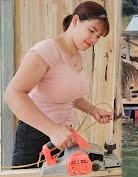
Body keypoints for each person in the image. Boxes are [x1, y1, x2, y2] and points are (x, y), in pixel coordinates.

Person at [3, 1, 112, 168]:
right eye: (92, 31)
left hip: (63, 139)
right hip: (35, 137)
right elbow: (13, 94)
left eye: (98, 36)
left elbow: (67, 95)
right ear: (75, 21)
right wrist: (53, 130)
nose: (94, 40)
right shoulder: (46, 51)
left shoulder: (79, 57)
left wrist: (93, 110)